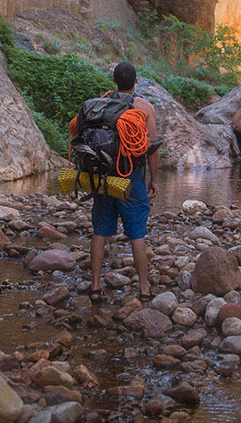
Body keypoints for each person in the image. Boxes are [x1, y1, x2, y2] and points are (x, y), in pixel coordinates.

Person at [88, 60, 159, 303]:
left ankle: (95, 286)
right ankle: (144, 288)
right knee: (136, 232)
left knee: (100, 230)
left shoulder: (99, 105)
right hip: (131, 178)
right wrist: (155, 180)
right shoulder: (144, 108)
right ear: (136, 81)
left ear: (114, 81)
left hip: (103, 177)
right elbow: (151, 148)